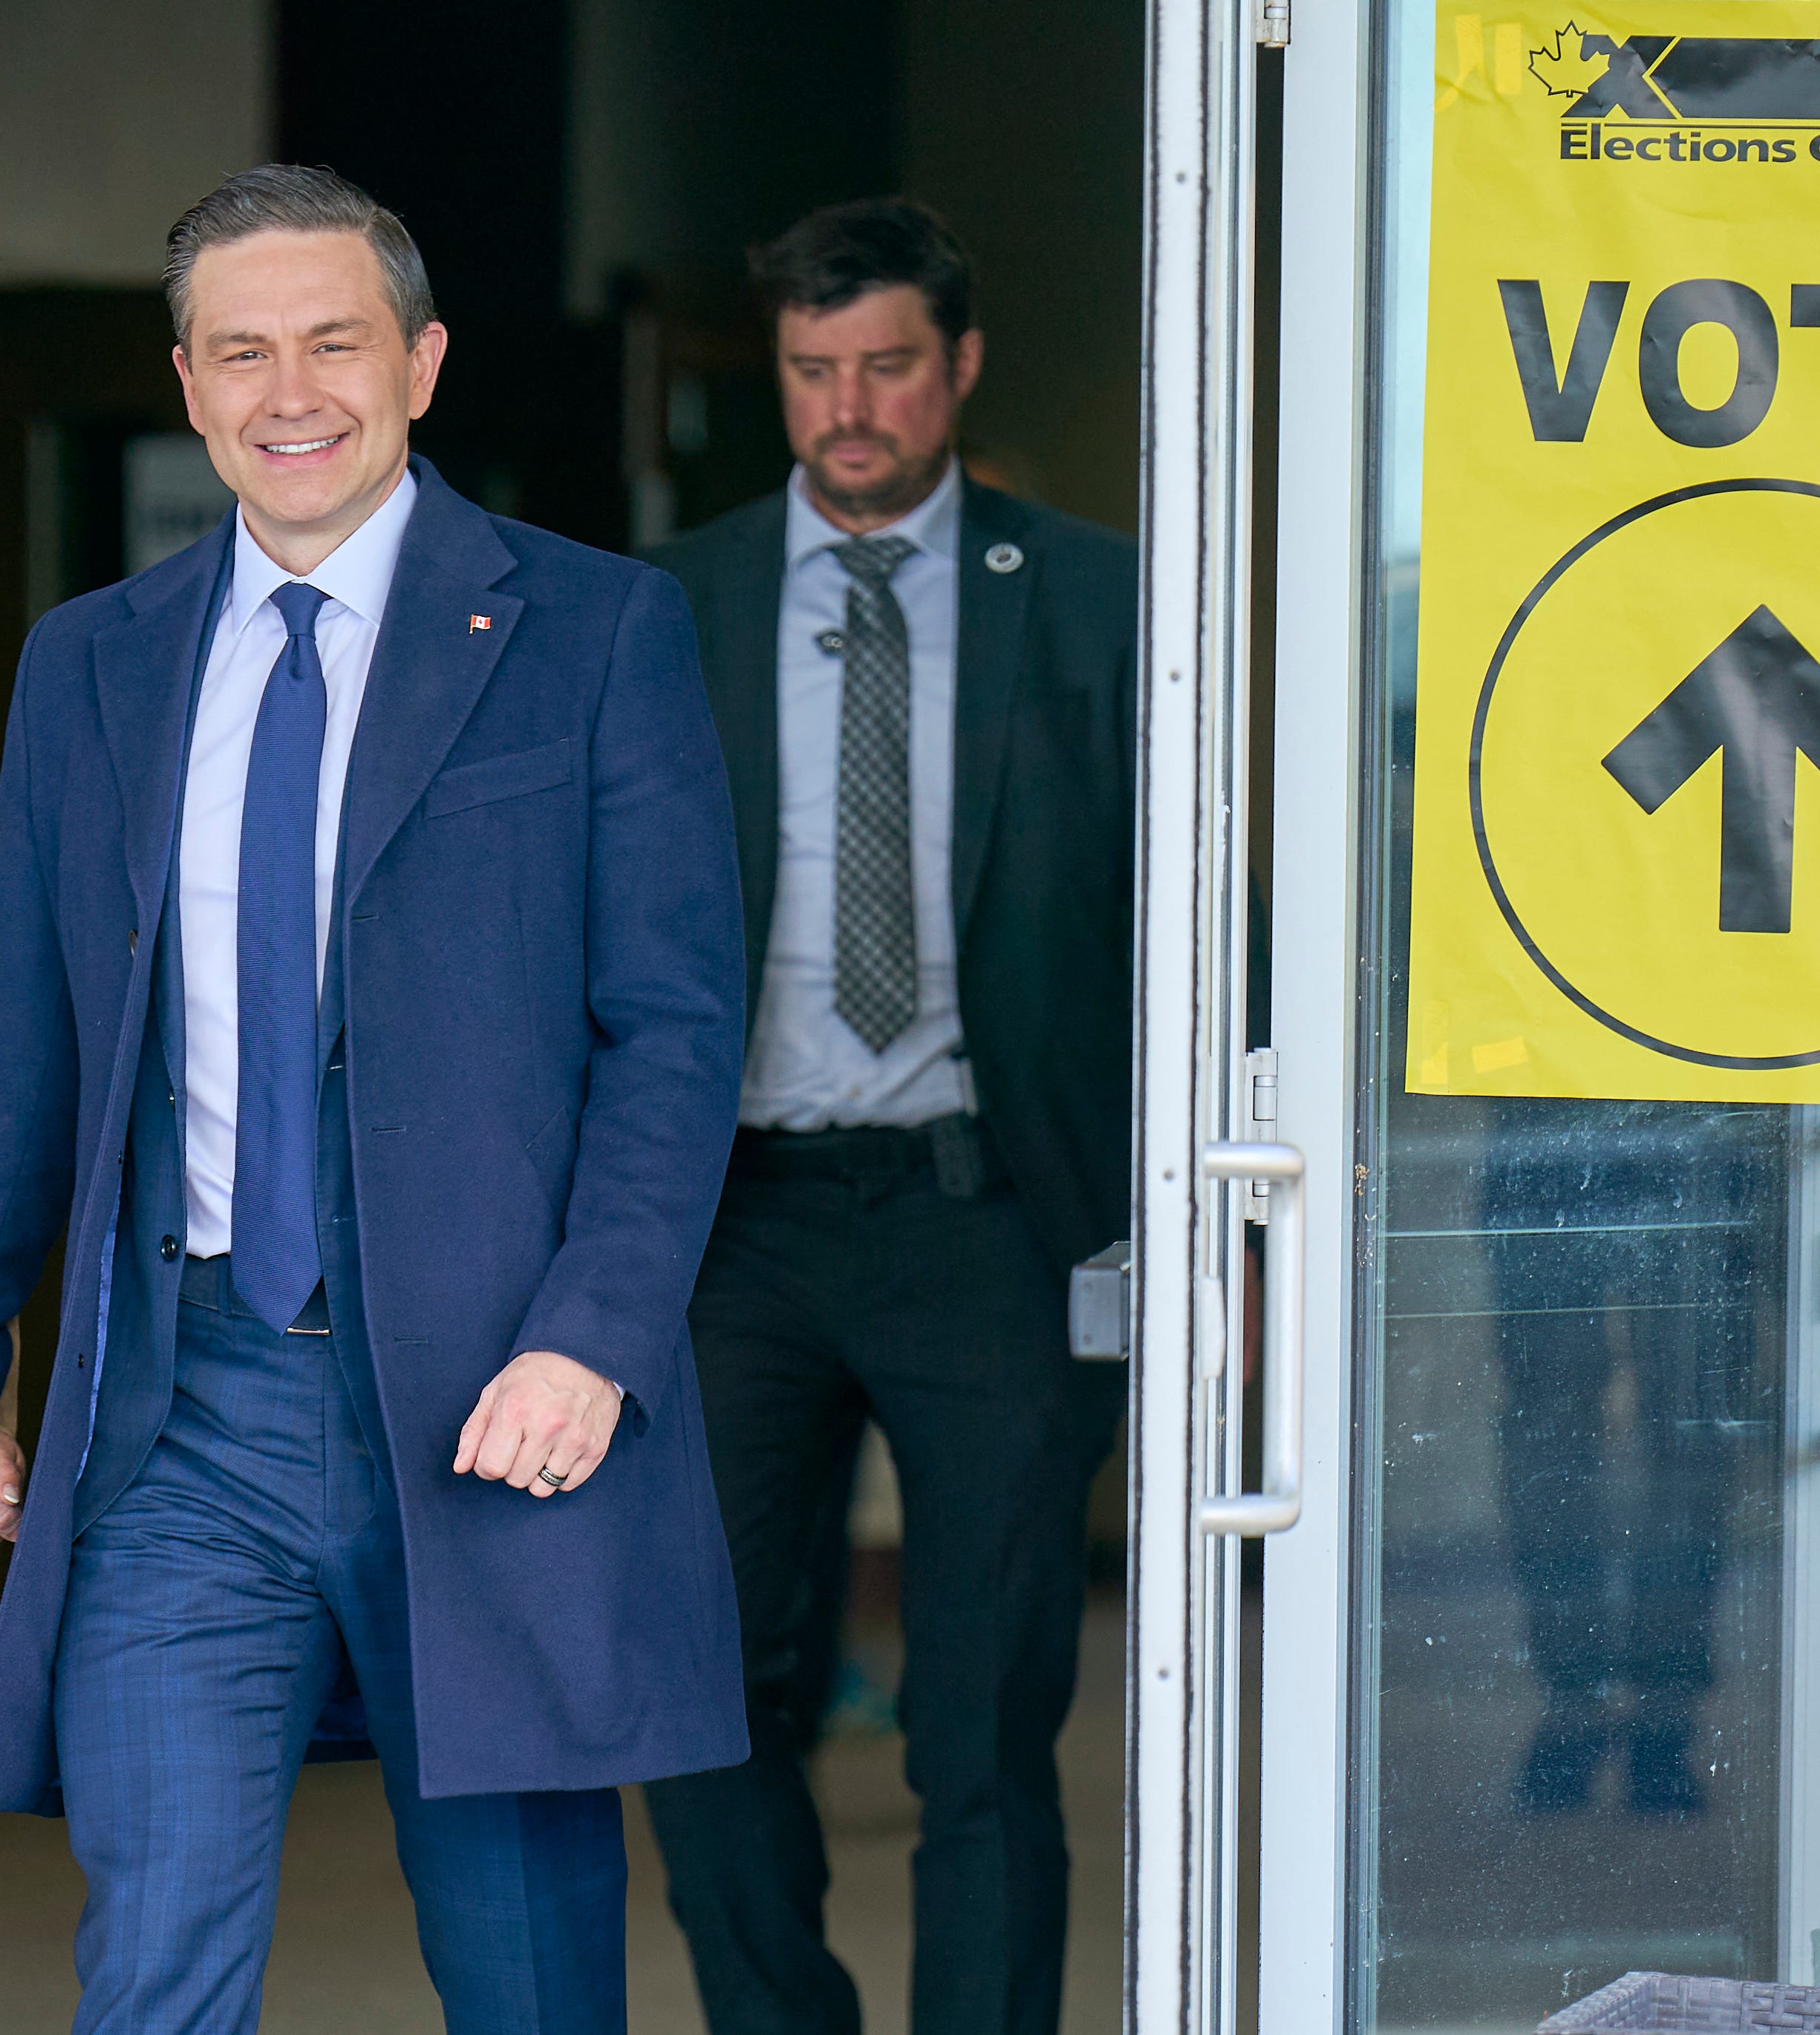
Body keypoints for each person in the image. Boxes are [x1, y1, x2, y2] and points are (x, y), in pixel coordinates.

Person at [0, 163, 750, 2035]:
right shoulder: (90, 663)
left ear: (418, 362)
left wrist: (594, 1335)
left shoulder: (593, 633)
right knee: (154, 1953)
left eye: (333, 340)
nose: (290, 390)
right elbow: (13, 1053)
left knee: (526, 1967)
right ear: (185, 385)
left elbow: (671, 1033)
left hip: (492, 1405)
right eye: (239, 350)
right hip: (184, 1416)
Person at [638, 197, 1138, 2035]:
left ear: (961, 365)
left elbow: (1180, 924)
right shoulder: (656, 607)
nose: (848, 408)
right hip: (726, 1229)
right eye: (811, 371)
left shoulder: (1097, 600)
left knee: (985, 1721)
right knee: (701, 1691)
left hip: (984, 1214)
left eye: (887, 367)